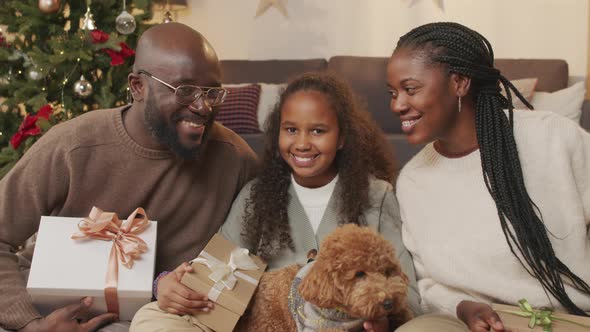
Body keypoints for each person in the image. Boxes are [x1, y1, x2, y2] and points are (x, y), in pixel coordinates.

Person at [0, 22, 259, 332]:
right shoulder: (74, 145)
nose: (202, 107)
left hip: (153, 319)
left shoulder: (235, 158)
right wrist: (31, 324)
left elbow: (267, 238)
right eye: (185, 90)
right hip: (48, 311)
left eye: (212, 92)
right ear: (138, 86)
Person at [130, 72, 420, 332]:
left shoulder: (377, 195)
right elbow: (213, 271)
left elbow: (406, 291)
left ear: (342, 137)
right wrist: (168, 284)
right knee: (152, 318)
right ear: (277, 132)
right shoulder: (256, 196)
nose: (302, 143)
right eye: (291, 130)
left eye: (318, 131)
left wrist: (381, 318)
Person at [387, 22, 590, 332]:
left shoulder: (552, 137)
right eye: (393, 93)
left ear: (459, 82)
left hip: (565, 316)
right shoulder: (412, 180)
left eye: (410, 89)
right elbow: (425, 280)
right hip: (469, 322)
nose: (397, 105)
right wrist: (462, 306)